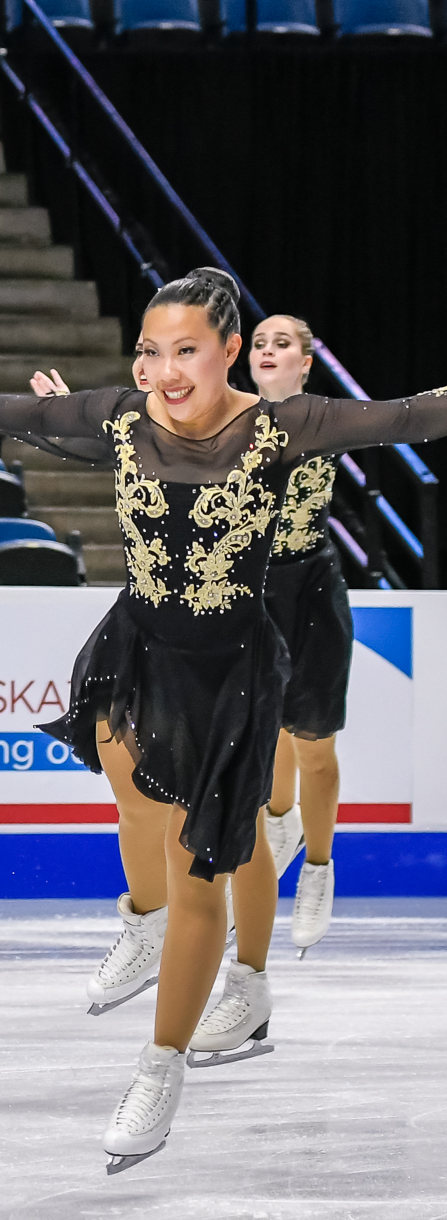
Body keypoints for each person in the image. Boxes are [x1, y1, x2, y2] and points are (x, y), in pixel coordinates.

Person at [0, 268, 447, 1172]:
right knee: (138, 804)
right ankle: (146, 926)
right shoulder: (126, 418)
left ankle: (164, 1060)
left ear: (230, 349)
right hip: (139, 647)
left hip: (232, 670)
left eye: (186, 350)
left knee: (208, 861)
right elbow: (35, 414)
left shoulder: (282, 428)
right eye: (151, 351)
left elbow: (409, 416)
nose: (164, 370)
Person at [246, 316, 342, 957]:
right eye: (259, 343)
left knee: (312, 740)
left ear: (305, 362)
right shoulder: (228, 418)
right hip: (248, 589)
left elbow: (403, 417)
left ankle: (318, 869)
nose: (268, 350)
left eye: (282, 343)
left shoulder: (328, 418)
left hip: (311, 588)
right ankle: (278, 826)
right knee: (263, 730)